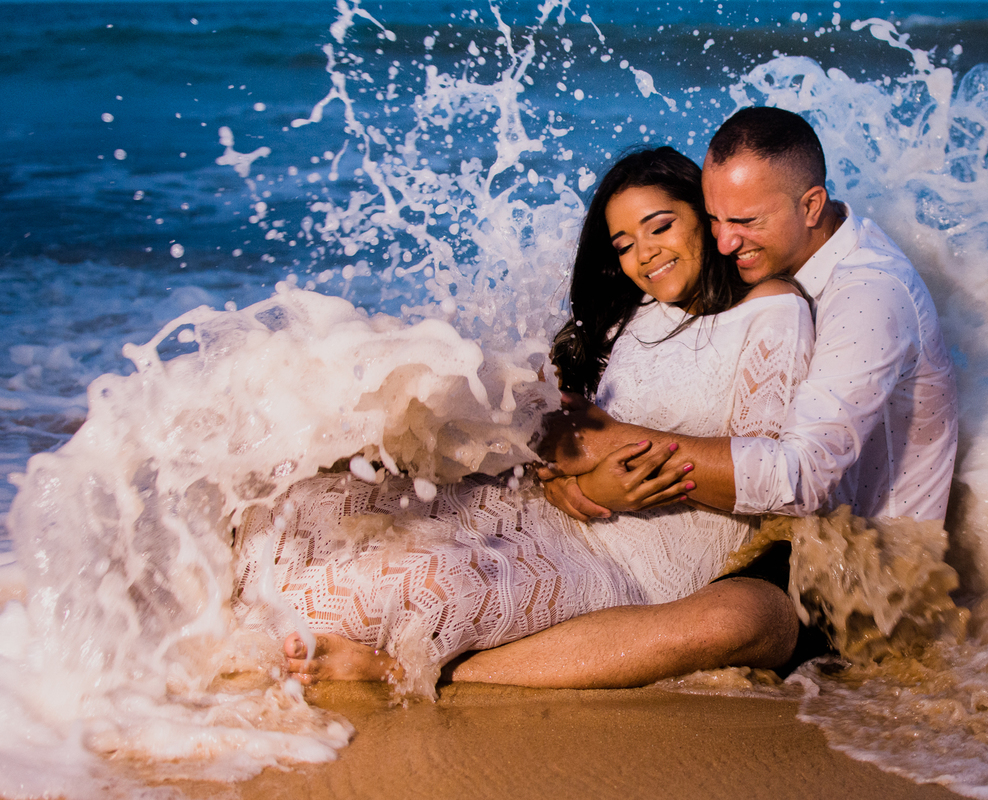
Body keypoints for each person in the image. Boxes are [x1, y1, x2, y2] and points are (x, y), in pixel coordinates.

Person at [231, 146, 814, 696]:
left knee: (410, 584)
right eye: (623, 243)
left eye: (660, 226)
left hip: (640, 565)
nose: (645, 253)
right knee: (305, 506)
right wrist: (570, 481)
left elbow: (759, 475)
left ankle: (394, 670)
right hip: (553, 512)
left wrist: (603, 476)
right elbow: (566, 432)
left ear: (706, 218)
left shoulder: (771, 311)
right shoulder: (634, 316)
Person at [441, 106, 958, 689]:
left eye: (743, 221)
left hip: (862, 564)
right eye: (713, 218)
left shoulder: (869, 296)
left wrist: (609, 442)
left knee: (728, 621)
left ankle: (456, 674)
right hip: (780, 538)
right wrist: (574, 476)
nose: (724, 240)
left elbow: (802, 479)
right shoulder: (771, 259)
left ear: (811, 206)